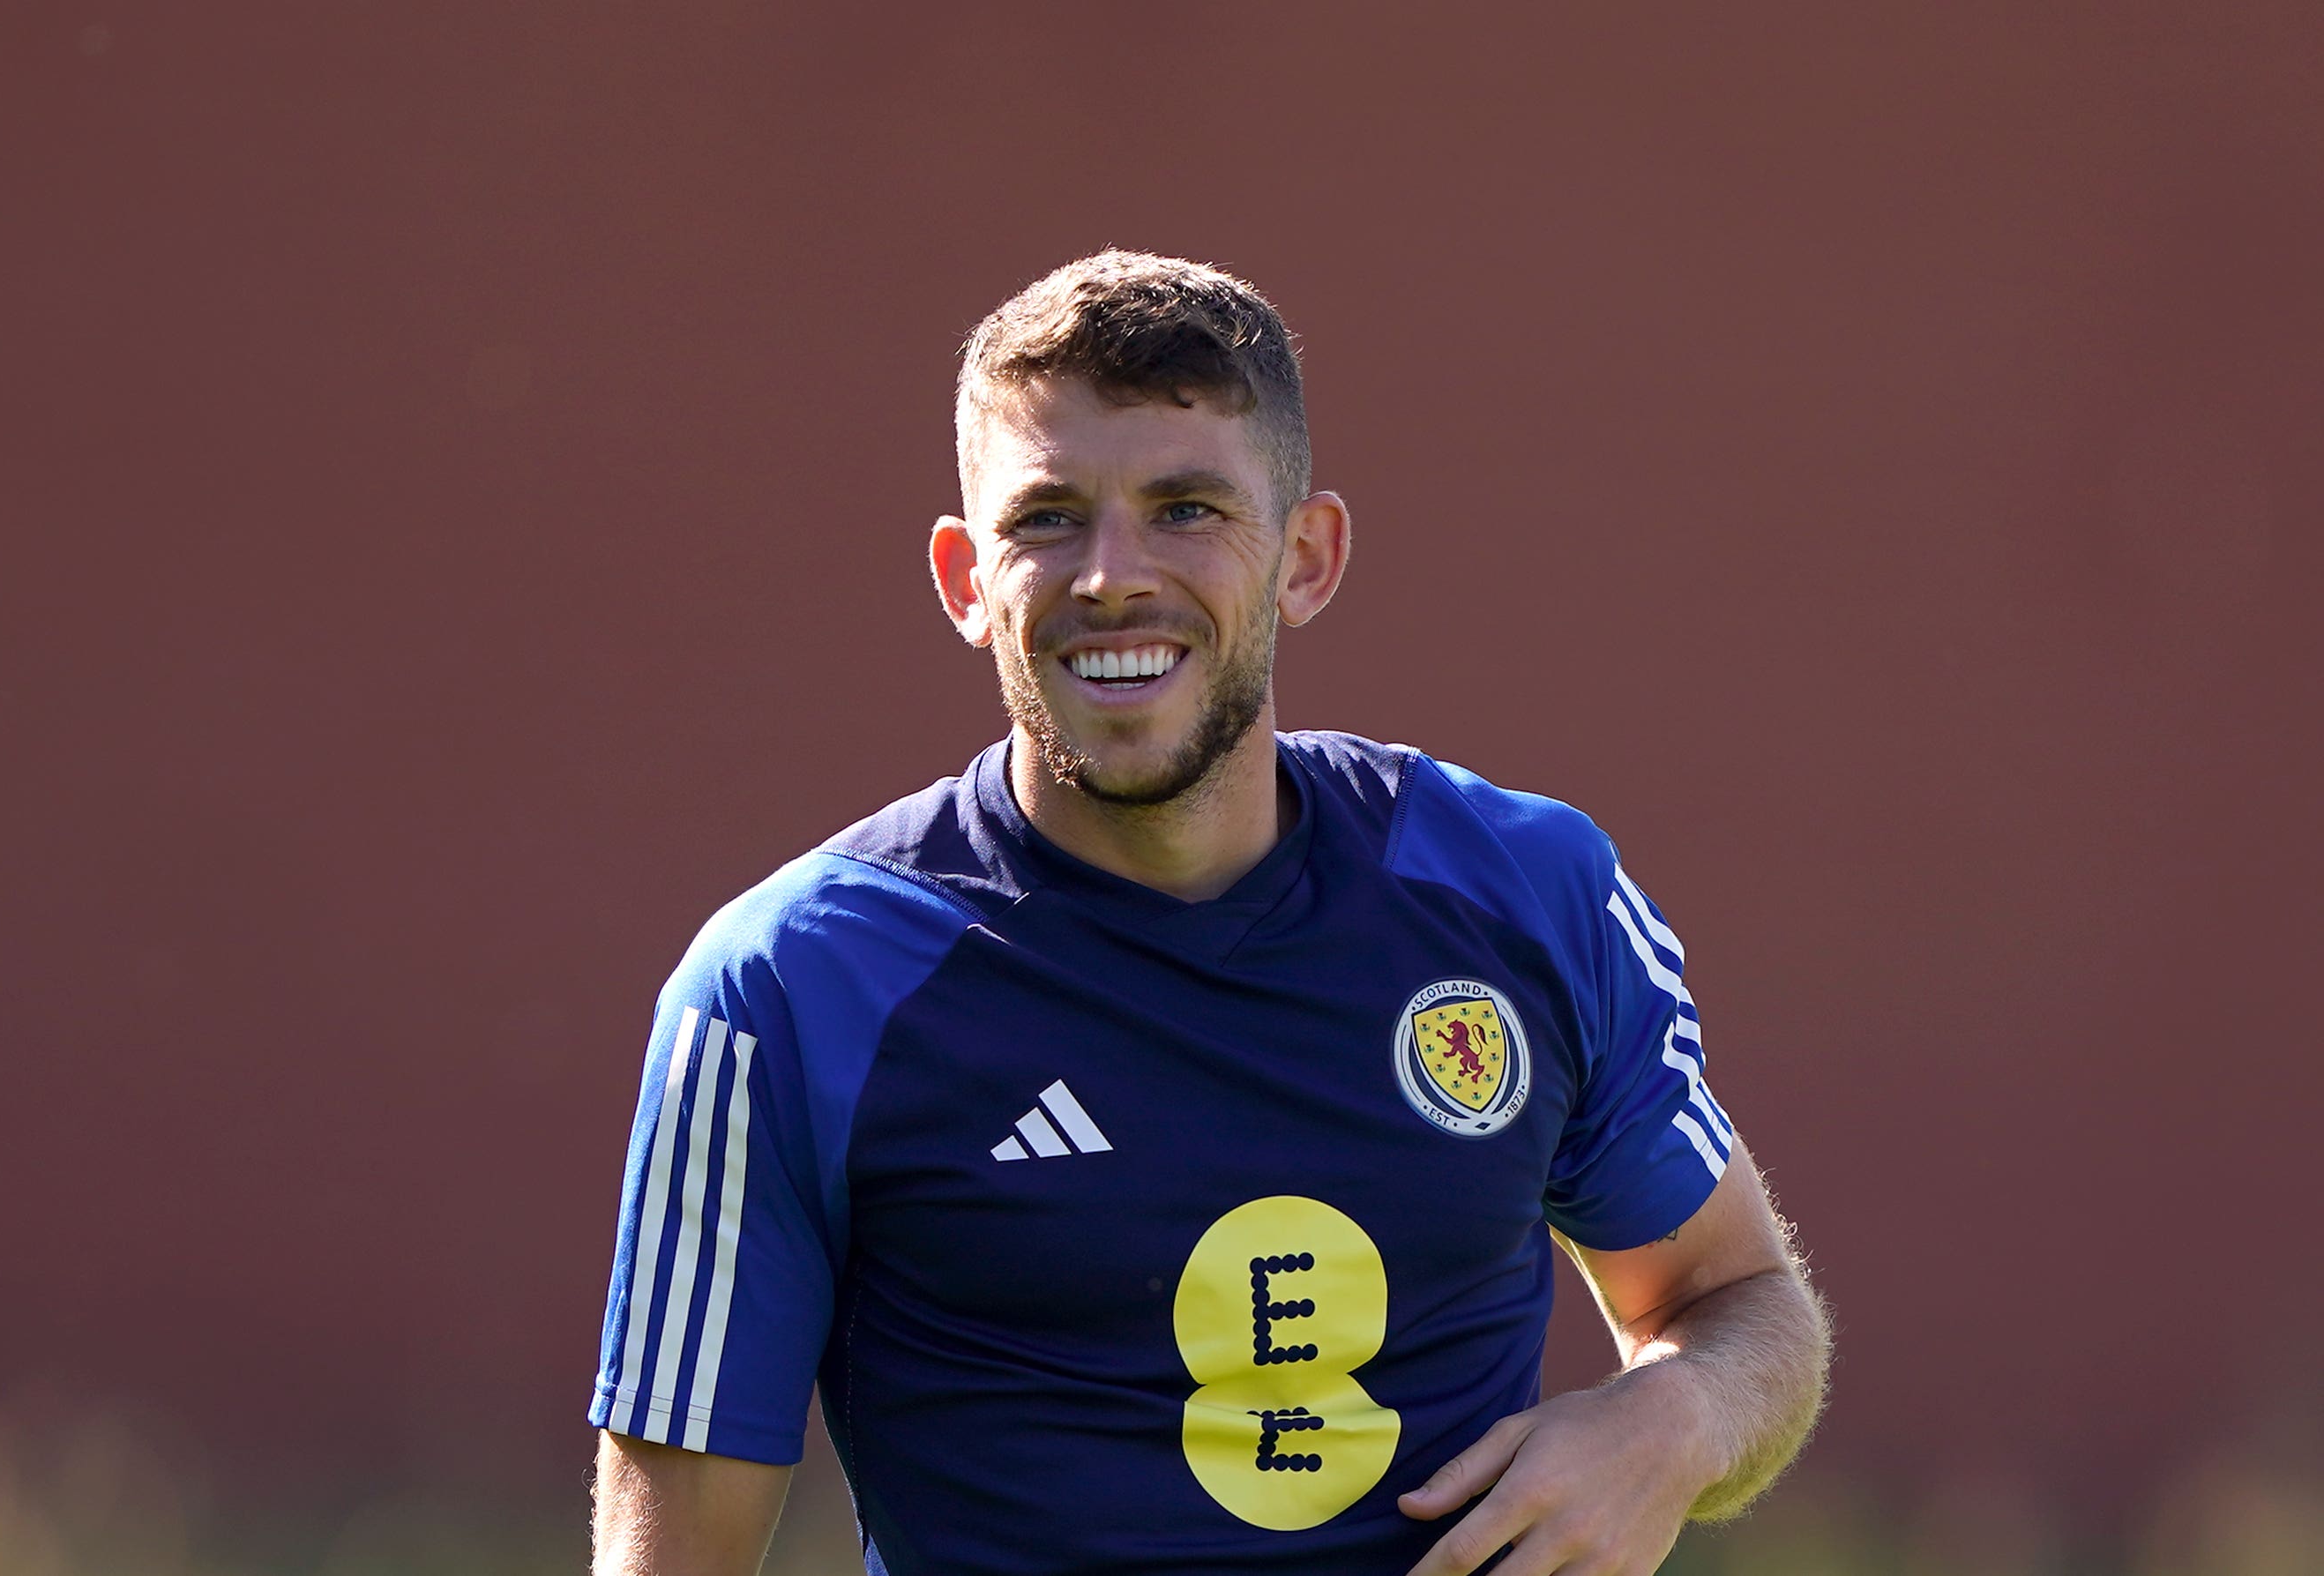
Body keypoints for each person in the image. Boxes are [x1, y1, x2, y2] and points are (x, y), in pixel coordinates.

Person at [587, 250, 1830, 1576]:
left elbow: (1739, 1302)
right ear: (963, 579)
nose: (1112, 575)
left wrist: (1672, 1420)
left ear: (1307, 558)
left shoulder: (1524, 892)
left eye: (1186, 509)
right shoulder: (790, 991)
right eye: (1047, 518)